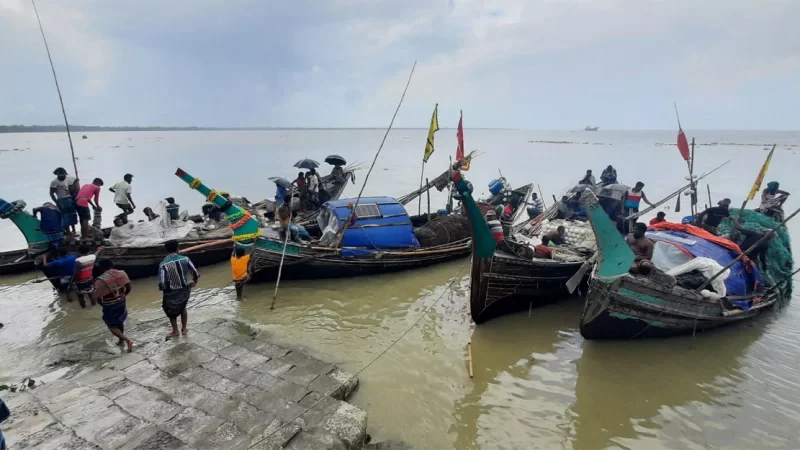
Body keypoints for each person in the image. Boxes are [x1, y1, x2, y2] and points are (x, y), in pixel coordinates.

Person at [158, 240, 199, 339]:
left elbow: (162, 282)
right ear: (177, 248)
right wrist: (194, 282)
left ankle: (175, 330)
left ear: (166, 250)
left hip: (170, 291)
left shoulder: (163, 264)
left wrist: (163, 288)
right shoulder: (185, 259)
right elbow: (195, 272)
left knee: (170, 310)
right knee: (182, 307)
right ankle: (184, 329)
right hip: (183, 288)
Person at [92, 259, 133, 352]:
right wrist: (123, 296)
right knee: (120, 320)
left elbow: (97, 297)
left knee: (111, 325)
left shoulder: (100, 280)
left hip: (109, 304)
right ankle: (121, 340)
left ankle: (127, 340)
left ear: (101, 268)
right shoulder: (122, 273)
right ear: (112, 264)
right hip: (122, 301)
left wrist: (103, 304)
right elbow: (129, 288)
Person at [49, 167, 79, 234]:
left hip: (69, 199)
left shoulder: (66, 180)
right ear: (58, 175)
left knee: (72, 215)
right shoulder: (54, 182)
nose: (64, 176)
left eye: (64, 174)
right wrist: (57, 202)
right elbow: (51, 193)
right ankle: (68, 231)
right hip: (61, 200)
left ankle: (74, 230)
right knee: (65, 216)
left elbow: (70, 189)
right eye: (62, 175)